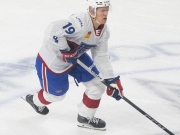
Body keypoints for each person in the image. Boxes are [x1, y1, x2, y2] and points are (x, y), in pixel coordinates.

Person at [22, 0, 123, 130]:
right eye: (102, 11)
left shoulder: (104, 32)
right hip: (53, 61)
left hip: (77, 58)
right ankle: (34, 101)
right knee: (56, 96)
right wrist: (65, 49)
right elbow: (52, 29)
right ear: (92, 11)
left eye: (107, 10)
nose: (106, 14)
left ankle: (85, 117)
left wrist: (110, 79)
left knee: (97, 86)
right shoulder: (80, 22)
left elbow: (101, 55)